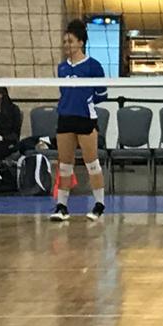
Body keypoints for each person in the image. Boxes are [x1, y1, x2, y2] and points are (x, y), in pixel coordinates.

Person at [50, 19, 107, 222]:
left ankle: (99, 204)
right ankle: (62, 206)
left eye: (71, 41)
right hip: (65, 118)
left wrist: (86, 100)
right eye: (65, 42)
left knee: (92, 163)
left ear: (81, 43)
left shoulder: (93, 66)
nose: (67, 45)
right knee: (65, 165)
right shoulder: (62, 68)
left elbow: (102, 94)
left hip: (85, 119)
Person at [0, 86, 22, 162]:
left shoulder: (13, 110)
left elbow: (15, 135)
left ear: (0, 95)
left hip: (8, 143)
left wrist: (0, 137)